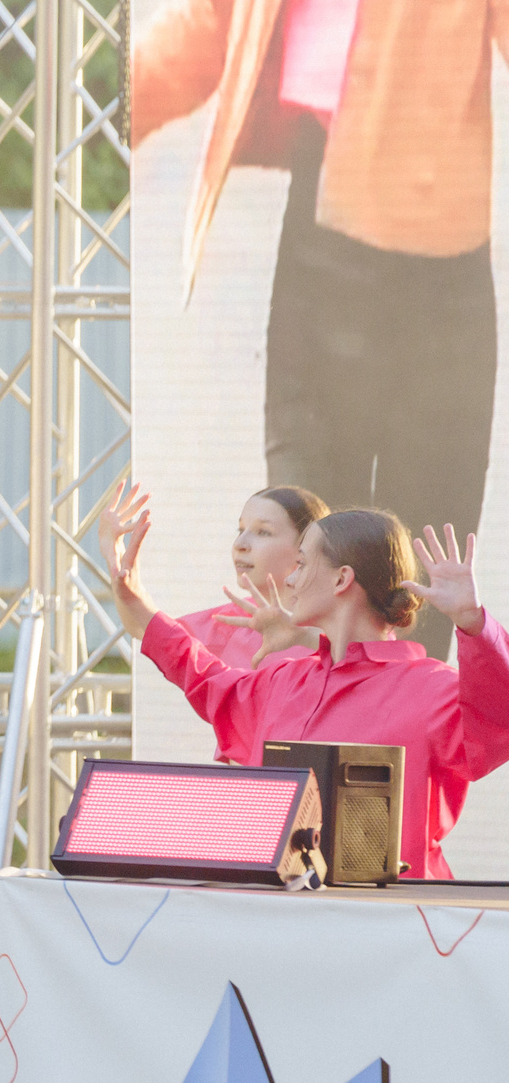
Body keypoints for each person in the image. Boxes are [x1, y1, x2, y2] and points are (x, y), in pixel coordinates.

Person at [136, 0, 500, 657]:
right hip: (317, 222)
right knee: (304, 541)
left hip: (434, 251)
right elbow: (210, 30)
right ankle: (300, 741)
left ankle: (407, 752)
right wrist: (80, 116)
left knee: (419, 567)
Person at [108, 487, 509, 880]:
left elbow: (498, 719)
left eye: (300, 564)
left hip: (396, 927)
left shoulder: (432, 689)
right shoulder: (284, 682)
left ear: (341, 580)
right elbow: (203, 676)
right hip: (285, 924)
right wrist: (133, 596)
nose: (292, 580)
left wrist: (474, 623)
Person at [170, 485, 329, 673]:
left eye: (263, 532)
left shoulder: (344, 621)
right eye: (241, 530)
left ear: (307, 547)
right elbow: (153, 631)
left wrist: (308, 638)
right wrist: (127, 582)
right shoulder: (233, 620)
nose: (239, 544)